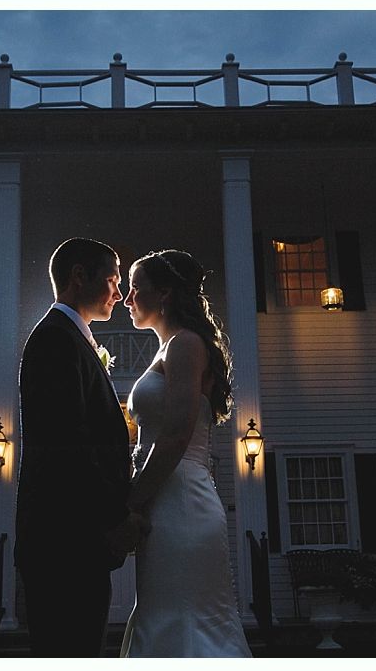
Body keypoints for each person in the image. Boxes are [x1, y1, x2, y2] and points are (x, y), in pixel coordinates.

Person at [15, 237, 147, 657]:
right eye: (111, 279)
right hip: (64, 544)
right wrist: (115, 519)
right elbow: (67, 444)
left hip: (74, 541)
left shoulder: (73, 338)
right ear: (78, 277)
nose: (119, 292)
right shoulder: (55, 340)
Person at [119, 249, 252, 658]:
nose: (126, 299)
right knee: (162, 613)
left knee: (185, 617)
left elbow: (176, 435)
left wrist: (130, 502)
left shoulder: (186, 345)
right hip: (165, 498)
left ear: (165, 294)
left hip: (182, 502)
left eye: (135, 288)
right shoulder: (167, 349)